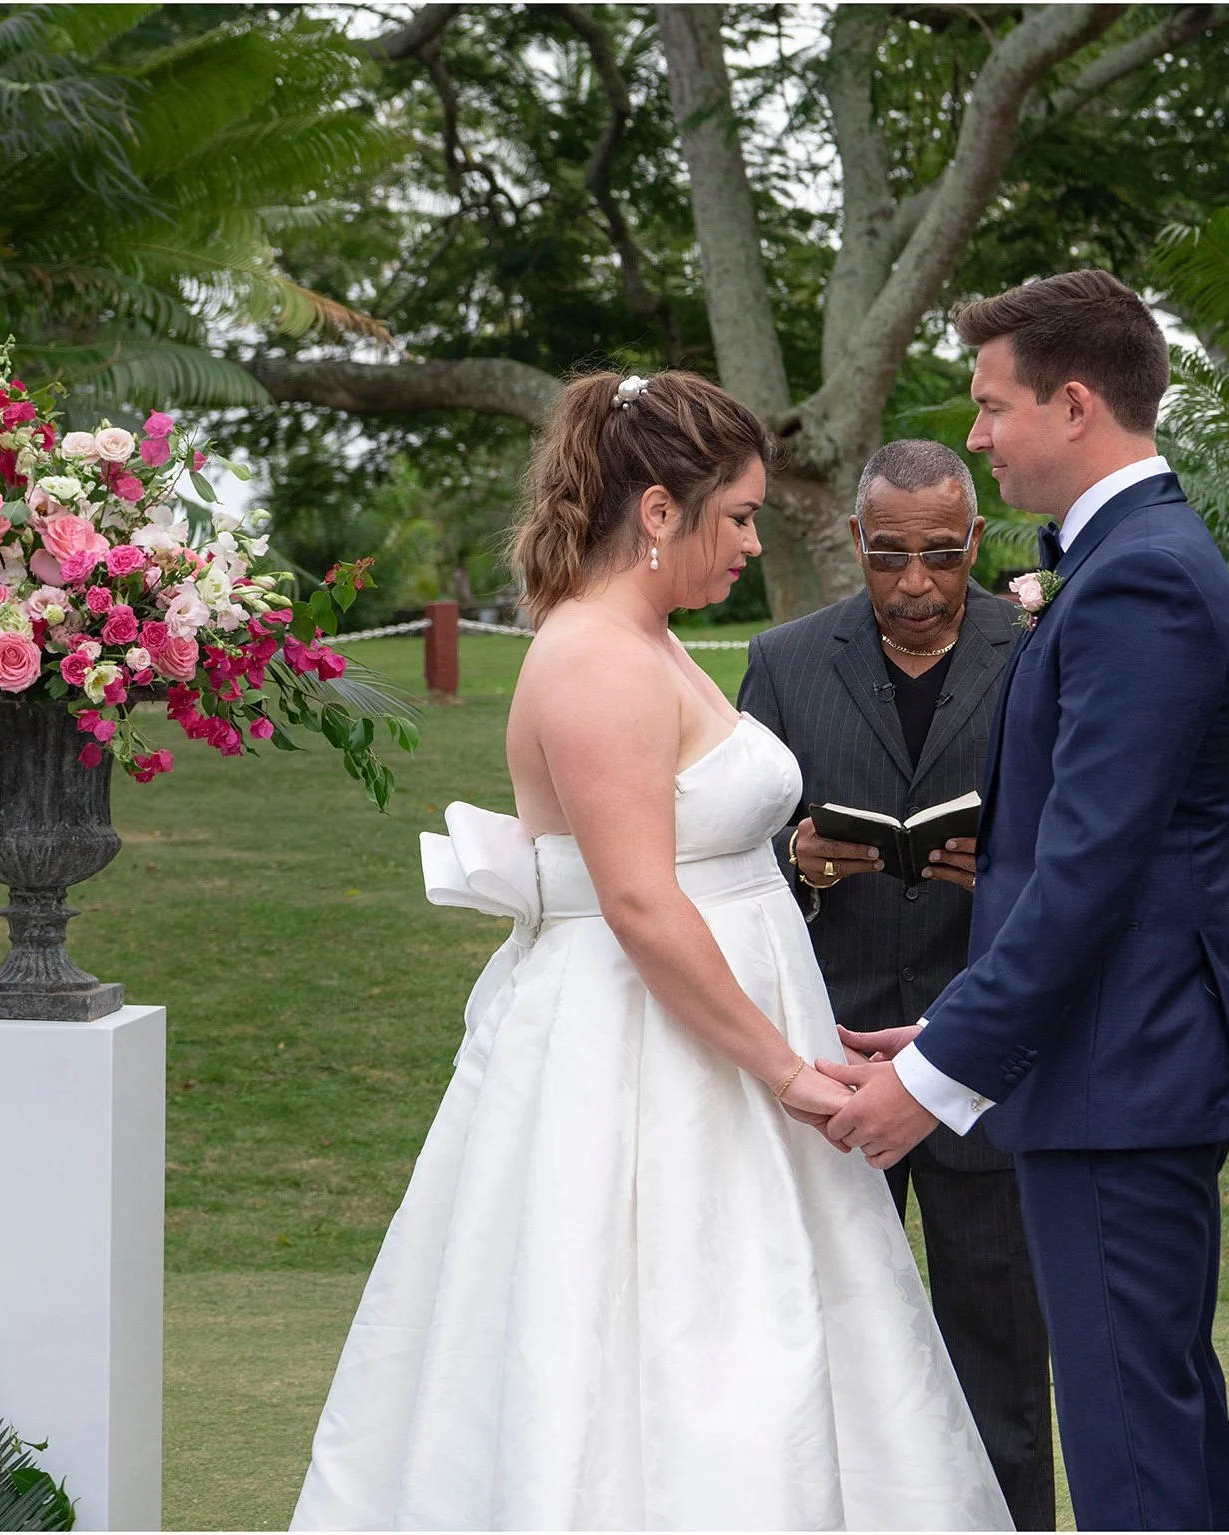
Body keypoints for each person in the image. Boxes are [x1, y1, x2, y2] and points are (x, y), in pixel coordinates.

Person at [290, 370, 1009, 1531]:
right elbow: (637, 900)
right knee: (654, 1337)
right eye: (735, 516)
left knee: (775, 1328)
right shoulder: (594, 657)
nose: (747, 544)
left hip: (723, 1032)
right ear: (660, 510)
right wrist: (785, 1071)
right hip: (640, 1057)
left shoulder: (649, 640)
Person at [819, 270, 1229, 1532]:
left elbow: (1088, 874)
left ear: (1073, 404)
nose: (974, 433)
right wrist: (953, 1023)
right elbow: (1059, 867)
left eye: (990, 403)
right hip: (1103, 1063)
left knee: (1134, 1447)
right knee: (1152, 1420)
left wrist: (933, 1077)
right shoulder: (1130, 560)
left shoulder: (1142, 581)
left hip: (1119, 1072)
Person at [737, 439, 1054, 1531]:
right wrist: (799, 857)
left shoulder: (1037, 645)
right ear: (855, 548)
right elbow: (737, 841)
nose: (913, 583)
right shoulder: (781, 661)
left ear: (973, 541)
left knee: (1004, 1363)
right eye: (886, 556)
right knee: (826, 1356)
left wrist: (1005, 861)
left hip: (982, 1063)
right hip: (830, 1062)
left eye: (936, 554)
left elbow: (1087, 836)